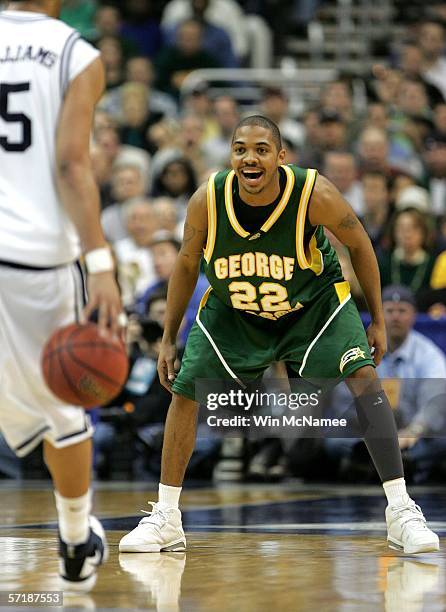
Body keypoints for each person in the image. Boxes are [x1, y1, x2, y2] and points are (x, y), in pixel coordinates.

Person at [119, 116, 439, 555]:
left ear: (281, 156)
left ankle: (400, 510)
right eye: (240, 149)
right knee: (184, 391)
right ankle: (166, 517)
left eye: (261, 149)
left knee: (362, 374)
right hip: (237, 310)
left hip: (313, 306)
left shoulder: (314, 193)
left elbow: (361, 245)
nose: (250, 157)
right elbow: (186, 266)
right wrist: (170, 336)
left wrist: (378, 320)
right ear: (231, 155)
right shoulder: (207, 200)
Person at [0, 0, 124, 591]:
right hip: (32, 257)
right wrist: (100, 263)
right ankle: (75, 541)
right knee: (65, 403)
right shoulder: (77, 53)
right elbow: (73, 164)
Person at [325, 286, 446, 483]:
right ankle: (395, 465)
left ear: (414, 316)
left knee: (441, 441)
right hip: (366, 434)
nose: (395, 317)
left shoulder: (428, 355)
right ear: (379, 315)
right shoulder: (362, 349)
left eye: (402, 311)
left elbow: (436, 399)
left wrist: (413, 431)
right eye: (389, 311)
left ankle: (378, 464)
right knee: (332, 440)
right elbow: (344, 398)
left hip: (411, 435)